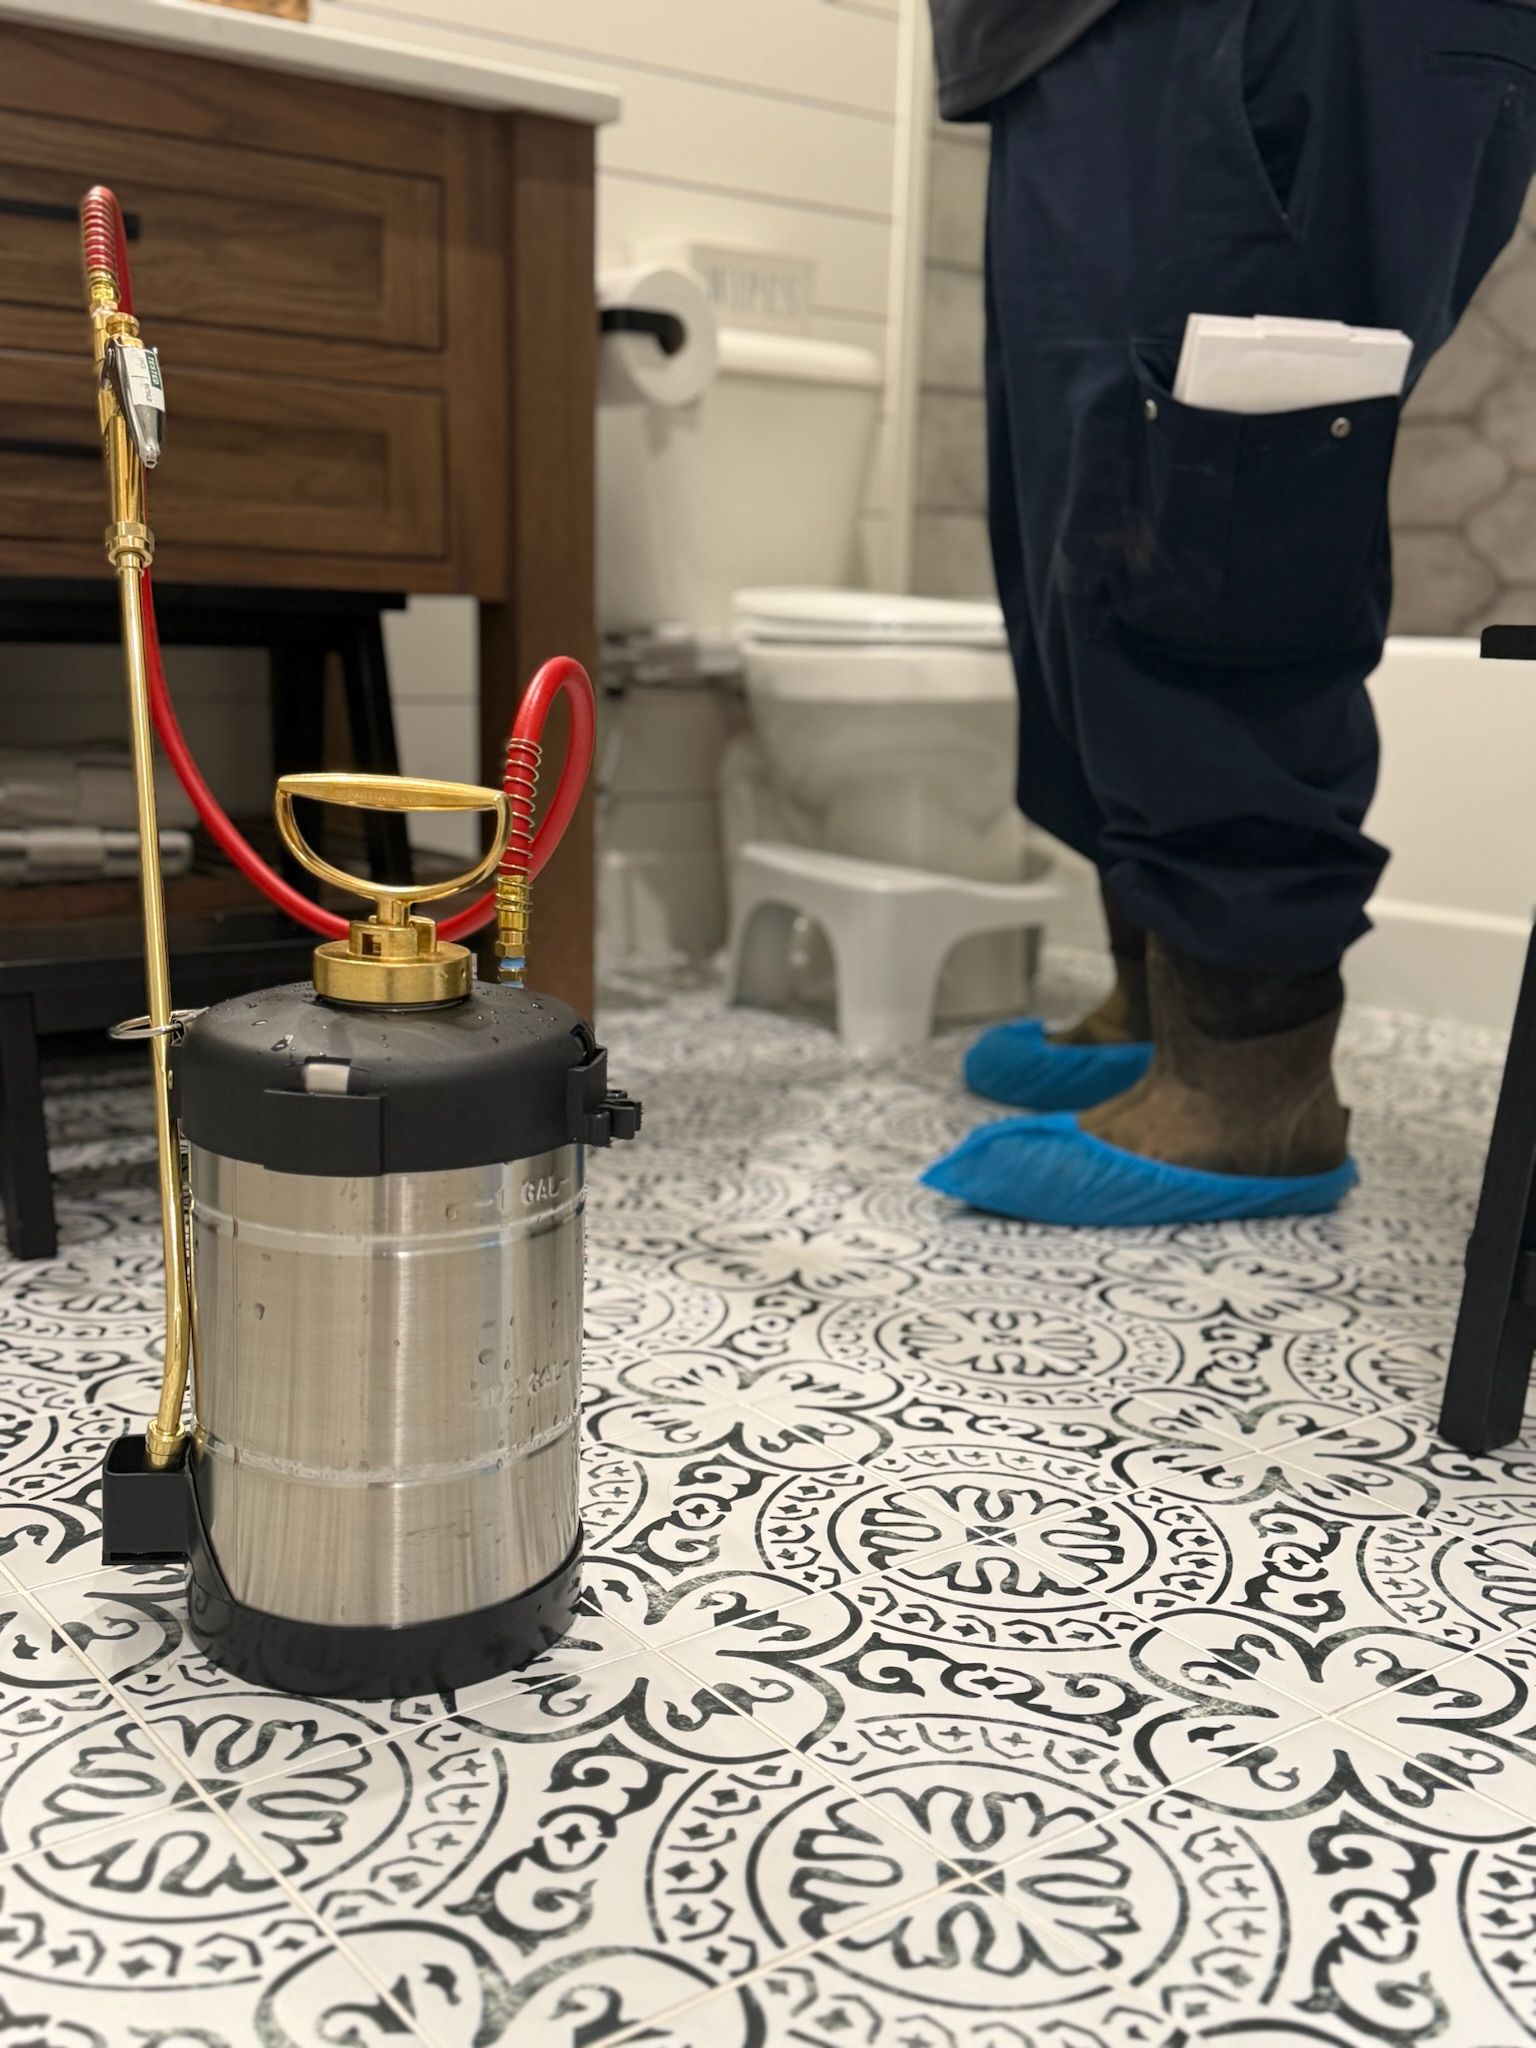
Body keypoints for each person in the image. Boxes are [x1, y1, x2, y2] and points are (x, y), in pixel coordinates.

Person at [921, 0, 1536, 1227]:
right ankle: (1161, 1000)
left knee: (1223, 495)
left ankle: (1253, 1082)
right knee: (1086, 510)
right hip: (1068, 44)